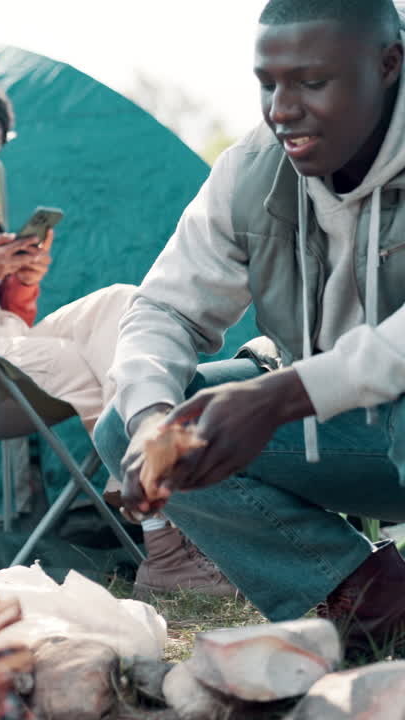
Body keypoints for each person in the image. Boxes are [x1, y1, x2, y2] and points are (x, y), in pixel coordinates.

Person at [96, 0, 405, 654]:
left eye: (311, 82)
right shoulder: (254, 171)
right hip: (360, 437)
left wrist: (276, 397)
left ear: (387, 65)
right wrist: (153, 419)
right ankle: (370, 601)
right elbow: (162, 310)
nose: (281, 108)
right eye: (268, 82)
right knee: (141, 423)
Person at [0, 76, 232, 596]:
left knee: (123, 304)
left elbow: (15, 318)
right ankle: (166, 543)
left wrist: (22, 278)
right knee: (80, 366)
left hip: (1, 339)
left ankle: (139, 477)